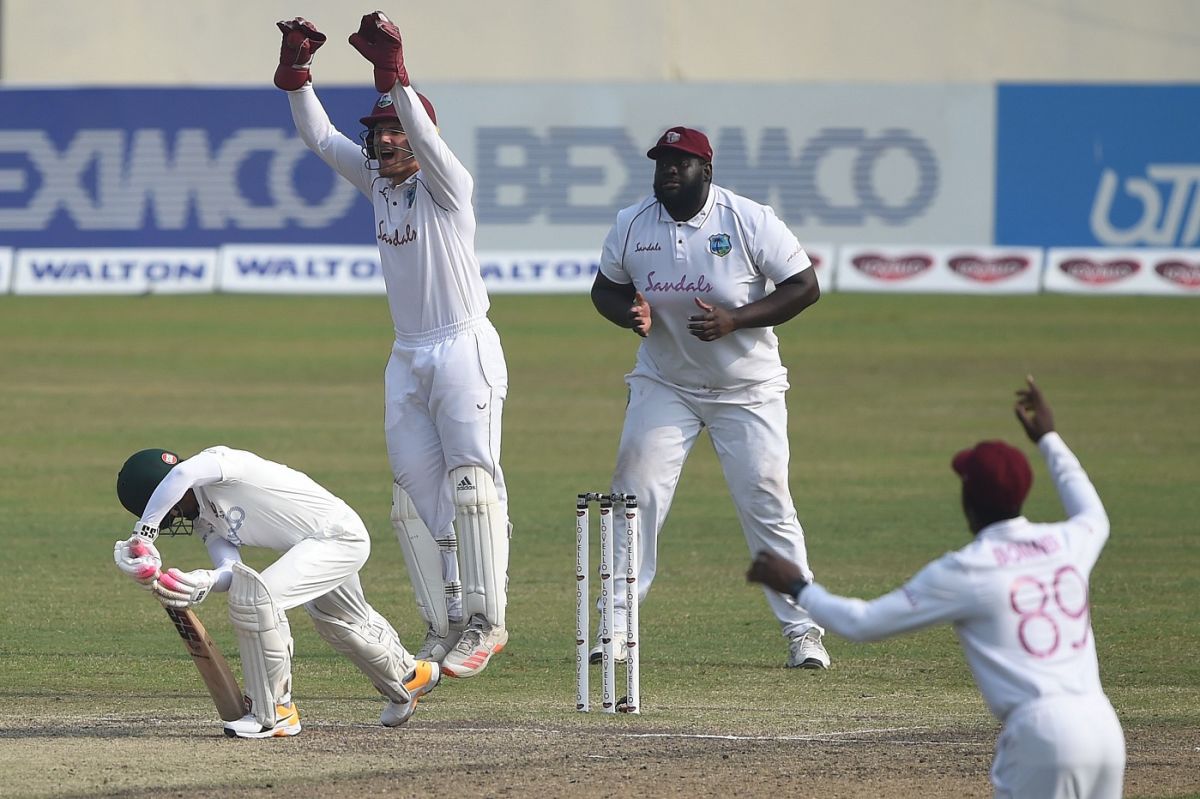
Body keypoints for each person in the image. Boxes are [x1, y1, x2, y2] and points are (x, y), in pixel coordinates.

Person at [748, 377, 1126, 798]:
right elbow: (1093, 511)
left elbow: (864, 623)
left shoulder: (967, 570)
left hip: (1043, 734)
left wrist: (798, 587)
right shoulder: (1068, 542)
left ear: (968, 502)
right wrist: (1049, 438)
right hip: (1103, 724)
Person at [271, 12, 510, 677]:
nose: (383, 142)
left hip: (464, 347)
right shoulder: (378, 183)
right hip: (408, 354)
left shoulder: (448, 188)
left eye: (394, 129)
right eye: (377, 133)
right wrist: (297, 73)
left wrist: (395, 76)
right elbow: (319, 137)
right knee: (415, 495)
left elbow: (426, 140)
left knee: (472, 485)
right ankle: (446, 621)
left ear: (420, 132)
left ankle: (488, 624)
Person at [590, 125, 829, 669]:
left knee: (766, 501)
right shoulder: (632, 223)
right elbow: (606, 288)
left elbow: (803, 286)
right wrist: (628, 312)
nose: (669, 170)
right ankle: (616, 627)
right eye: (661, 163)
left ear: (708, 170)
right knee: (634, 496)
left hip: (748, 389)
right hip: (665, 383)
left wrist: (735, 320)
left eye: (682, 162)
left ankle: (803, 630)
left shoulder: (748, 219)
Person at [112, 446, 440, 738]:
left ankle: (274, 713)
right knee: (339, 622)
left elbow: (182, 473)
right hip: (317, 544)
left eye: (170, 511)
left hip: (338, 536)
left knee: (257, 599)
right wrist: (206, 581)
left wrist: (144, 535)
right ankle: (410, 676)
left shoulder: (218, 463)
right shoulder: (206, 522)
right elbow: (232, 571)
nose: (175, 515)